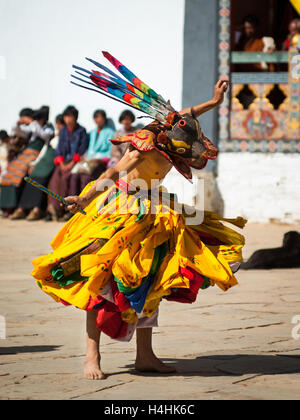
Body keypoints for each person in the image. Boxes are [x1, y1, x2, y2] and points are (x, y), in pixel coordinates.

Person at [32, 52, 247, 380]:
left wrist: (214, 102)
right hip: (120, 211)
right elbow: (111, 174)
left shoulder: (173, 125)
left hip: (155, 213)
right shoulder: (141, 148)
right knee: (99, 279)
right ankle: (93, 355)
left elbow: (186, 114)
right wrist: (85, 196)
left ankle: (145, 355)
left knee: (152, 280)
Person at [0, 107, 54, 219]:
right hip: (25, 154)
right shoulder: (32, 129)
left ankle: (15, 206)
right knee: (9, 173)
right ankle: (7, 206)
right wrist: (19, 122)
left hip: (36, 155)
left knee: (18, 174)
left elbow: (44, 135)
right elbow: (17, 130)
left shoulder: (47, 129)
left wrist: (33, 123)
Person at [14, 114, 63, 221]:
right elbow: (43, 152)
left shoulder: (63, 138)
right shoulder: (52, 137)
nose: (59, 126)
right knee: (31, 179)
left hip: (50, 164)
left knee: (41, 180)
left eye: (60, 124)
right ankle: (21, 209)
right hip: (41, 163)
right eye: (57, 124)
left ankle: (36, 210)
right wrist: (34, 164)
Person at [47, 106, 89, 221]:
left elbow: (82, 148)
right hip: (63, 162)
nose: (67, 119)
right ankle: (54, 209)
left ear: (75, 117)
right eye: (66, 116)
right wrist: (61, 163)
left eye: (70, 116)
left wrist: (71, 163)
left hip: (76, 162)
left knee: (70, 179)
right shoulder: (63, 131)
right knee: (55, 178)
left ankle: (68, 210)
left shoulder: (81, 131)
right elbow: (59, 148)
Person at [70, 110, 115, 189]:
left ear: (104, 119)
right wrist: (83, 157)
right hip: (89, 160)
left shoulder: (111, 132)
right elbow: (88, 149)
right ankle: (72, 199)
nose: (98, 120)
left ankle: (85, 199)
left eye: (100, 117)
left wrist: (102, 160)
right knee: (74, 176)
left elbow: (110, 151)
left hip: (101, 162)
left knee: (86, 178)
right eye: (96, 118)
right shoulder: (92, 132)